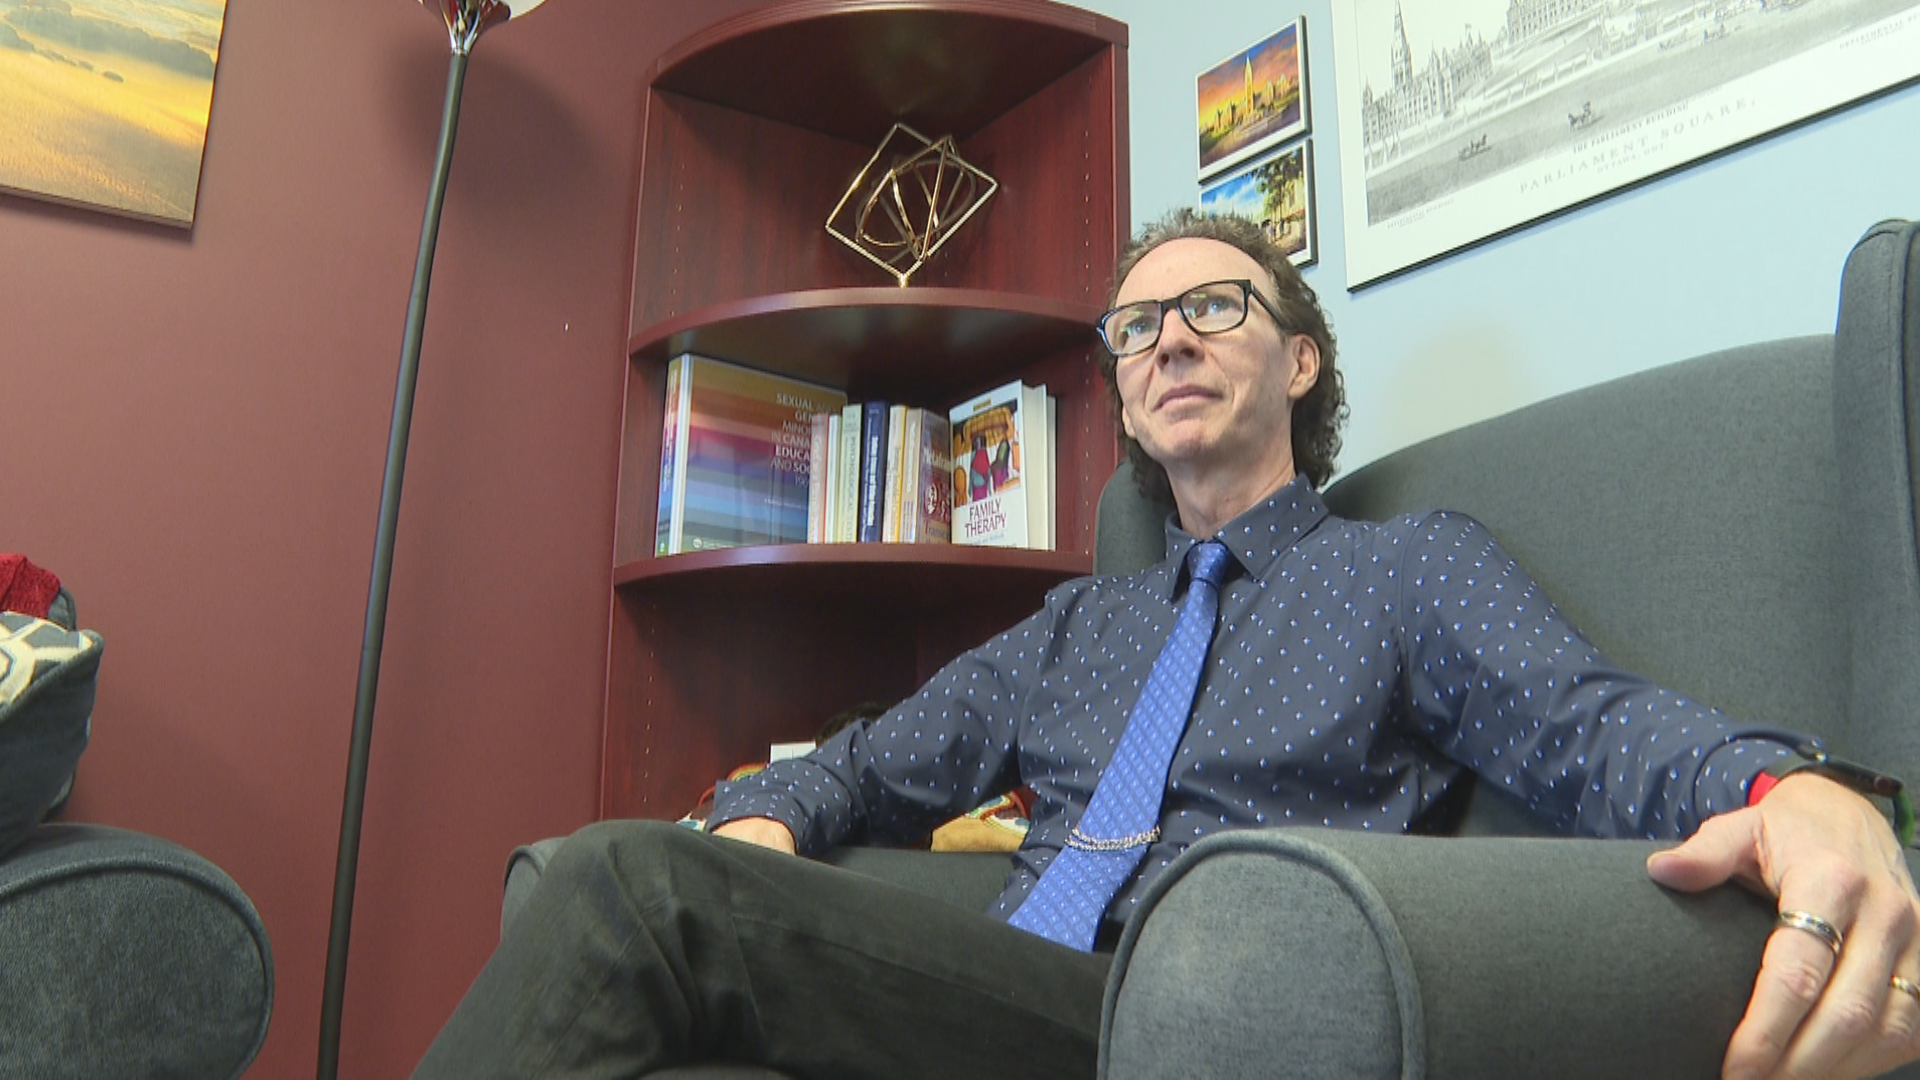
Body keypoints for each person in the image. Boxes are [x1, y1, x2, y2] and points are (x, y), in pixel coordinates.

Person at [414, 210, 1920, 1080]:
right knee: (665, 862)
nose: (1169, 342)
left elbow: (1591, 725)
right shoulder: (1080, 620)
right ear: (1124, 400)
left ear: (1301, 355)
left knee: (626, 882)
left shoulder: (1406, 568)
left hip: (1196, 995)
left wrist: (1793, 791)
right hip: (1000, 983)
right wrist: (769, 815)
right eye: (1136, 331)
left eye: (1211, 305)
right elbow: (880, 761)